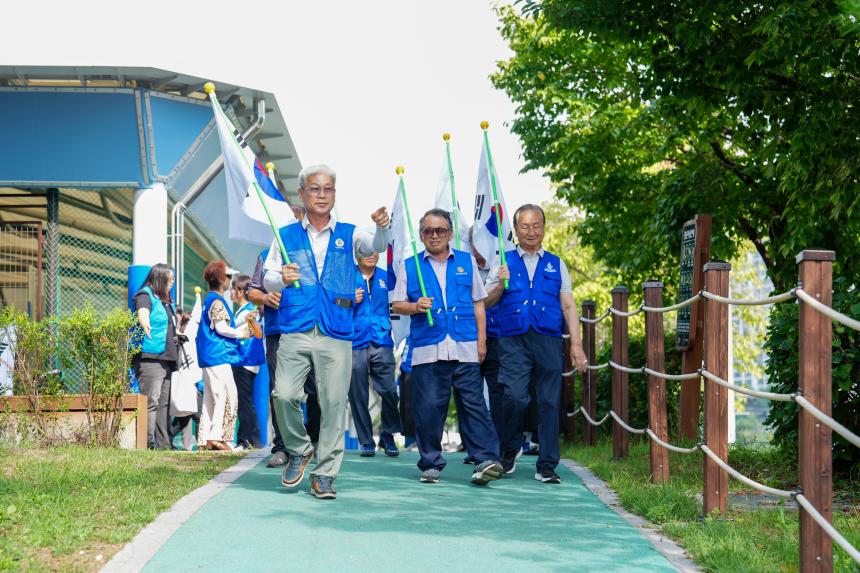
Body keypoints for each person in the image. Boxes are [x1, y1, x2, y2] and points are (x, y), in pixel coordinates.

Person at [263, 164, 390, 500]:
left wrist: (382, 229)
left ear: (335, 194)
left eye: (328, 189)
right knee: (284, 394)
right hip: (296, 326)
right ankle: (300, 448)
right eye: (315, 189)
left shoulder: (350, 234)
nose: (322, 195)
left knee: (334, 402)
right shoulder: (284, 235)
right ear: (302, 194)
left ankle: (325, 474)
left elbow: (374, 245)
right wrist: (281, 279)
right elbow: (268, 278)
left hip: (336, 328)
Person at [391, 208, 503, 486]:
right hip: (428, 349)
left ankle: (486, 460)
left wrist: (481, 341)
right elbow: (396, 304)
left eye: (440, 230)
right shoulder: (410, 265)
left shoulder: (466, 262)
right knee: (429, 408)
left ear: (450, 234)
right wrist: (415, 306)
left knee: (474, 405)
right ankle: (430, 464)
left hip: (464, 346)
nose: (435, 235)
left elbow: (479, 303)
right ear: (421, 235)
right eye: (428, 231)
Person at [485, 204, 588, 484]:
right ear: (516, 230)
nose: (531, 232)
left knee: (549, 400)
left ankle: (547, 465)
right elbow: (486, 302)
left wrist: (576, 345)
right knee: (515, 397)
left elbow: (568, 305)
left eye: (536, 226)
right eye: (524, 226)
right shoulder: (503, 262)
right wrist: (498, 284)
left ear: (543, 228)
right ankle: (509, 451)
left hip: (548, 339)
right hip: (513, 339)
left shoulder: (557, 264)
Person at [249, 247, 322, 467]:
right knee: (279, 391)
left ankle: (314, 439)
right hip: (277, 332)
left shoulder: (318, 249)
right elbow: (252, 291)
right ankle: (282, 447)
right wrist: (265, 296)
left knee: (316, 389)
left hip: (312, 330)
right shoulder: (267, 253)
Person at [348, 252, 401, 457]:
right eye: (363, 251)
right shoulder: (346, 274)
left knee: (389, 390)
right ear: (356, 253)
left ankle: (388, 435)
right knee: (357, 393)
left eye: (373, 251)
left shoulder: (387, 276)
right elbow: (332, 302)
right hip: (354, 339)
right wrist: (349, 298)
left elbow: (400, 300)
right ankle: (366, 440)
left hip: (382, 339)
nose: (369, 255)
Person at [196, 260, 249, 451]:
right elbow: (221, 327)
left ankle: (205, 439)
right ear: (222, 278)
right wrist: (240, 333)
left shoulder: (209, 299)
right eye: (228, 276)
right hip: (218, 355)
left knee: (211, 398)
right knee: (227, 395)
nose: (230, 280)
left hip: (208, 356)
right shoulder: (217, 301)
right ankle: (220, 438)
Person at [133, 263, 178, 450]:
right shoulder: (145, 295)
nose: (172, 283)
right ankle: (147, 443)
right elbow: (142, 312)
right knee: (151, 401)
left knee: (163, 403)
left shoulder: (166, 300)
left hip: (166, 358)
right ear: (160, 279)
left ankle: (163, 444)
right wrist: (144, 322)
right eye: (170, 279)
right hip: (151, 357)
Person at [231, 275, 264, 450]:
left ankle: (245, 440)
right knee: (247, 401)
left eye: (233, 289)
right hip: (248, 361)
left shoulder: (247, 311)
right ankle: (253, 439)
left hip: (244, 360)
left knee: (244, 402)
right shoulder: (248, 309)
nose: (231, 292)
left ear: (241, 292)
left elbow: (244, 331)